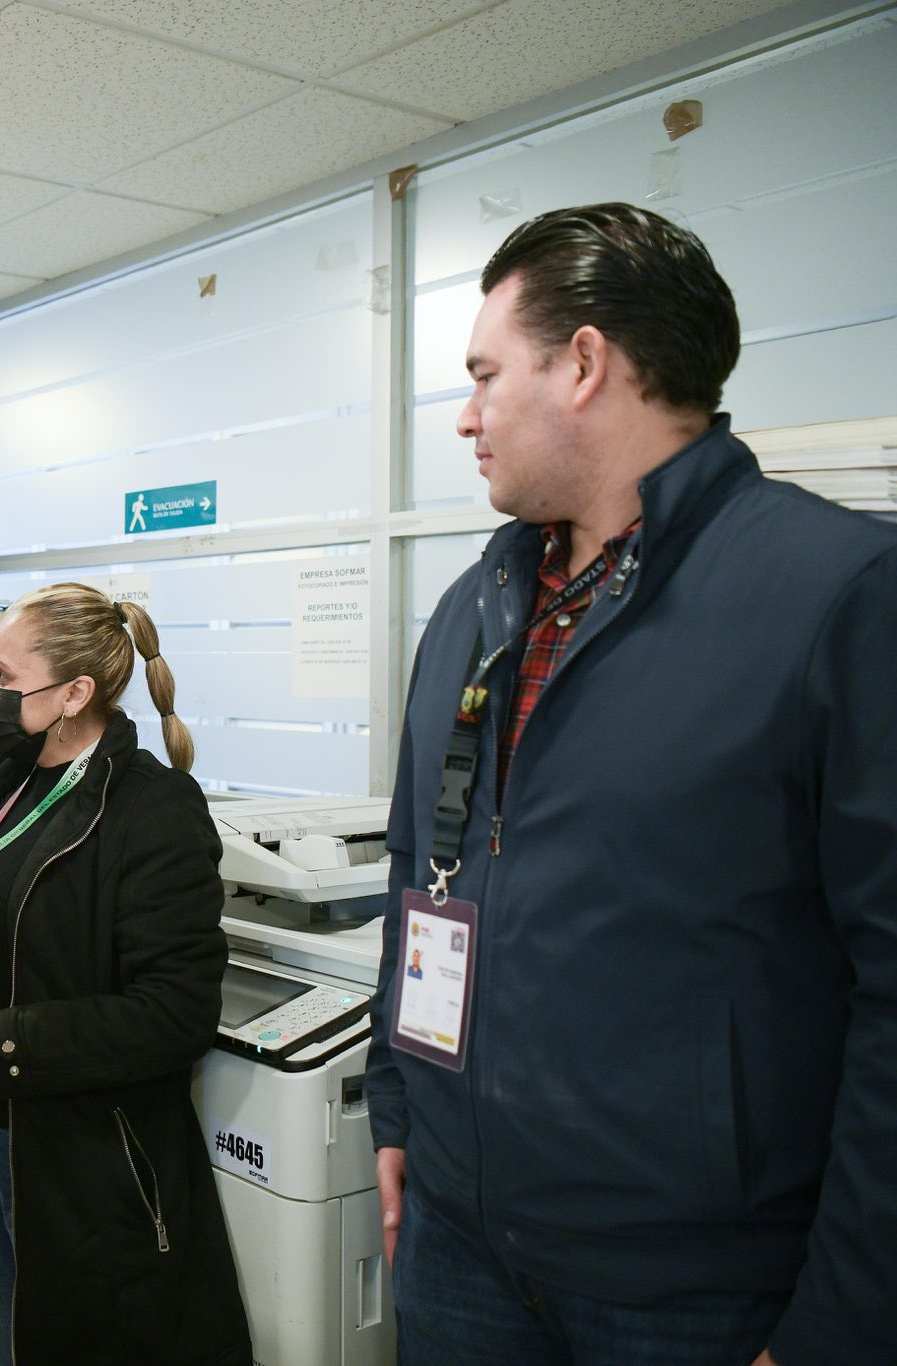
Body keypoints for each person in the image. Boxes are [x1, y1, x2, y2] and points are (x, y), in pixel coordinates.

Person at [369, 203, 897, 1366]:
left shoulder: (836, 594)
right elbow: (423, 868)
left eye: (482, 374)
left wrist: (840, 1326)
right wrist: (398, 1109)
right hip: (458, 1244)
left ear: (585, 364)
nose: (463, 417)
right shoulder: (473, 608)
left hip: (689, 1293)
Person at [0, 581, 249, 1366]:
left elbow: (175, 1012)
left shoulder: (153, 811)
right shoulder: (10, 775)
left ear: (75, 693)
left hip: (67, 1159)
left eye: (2, 674)